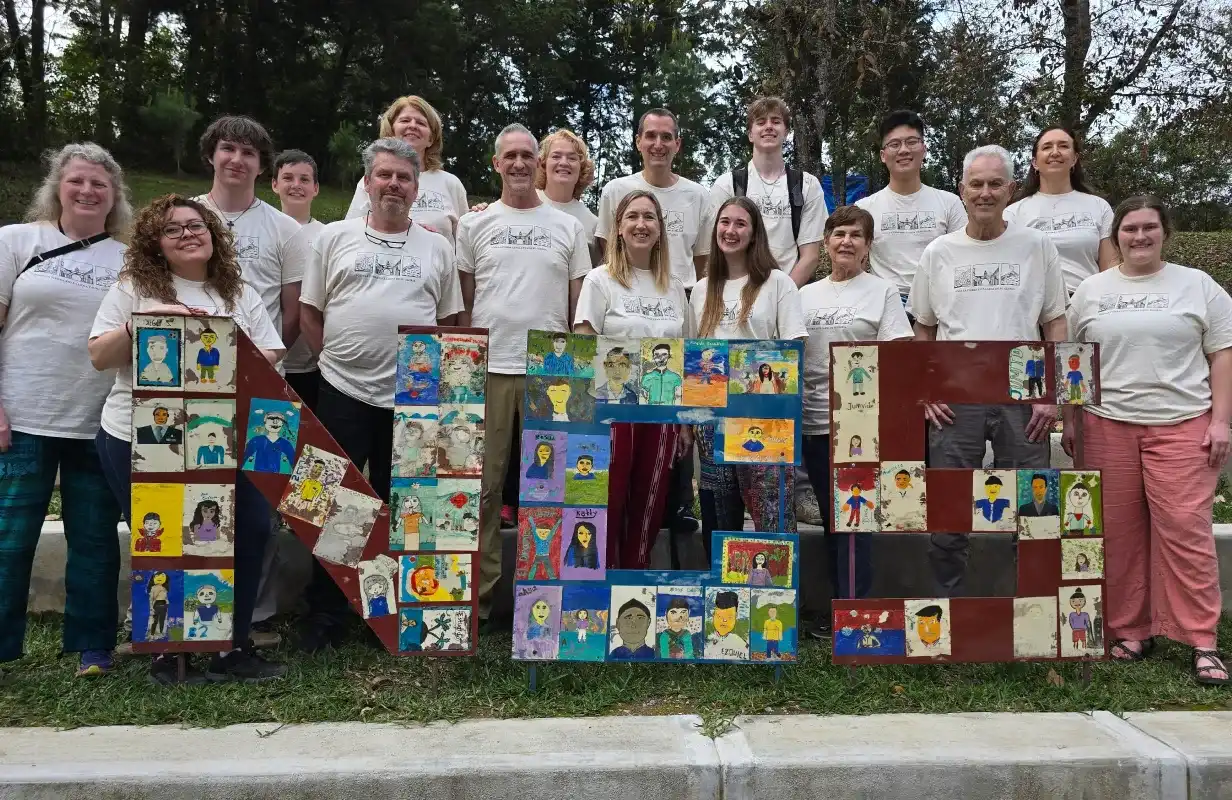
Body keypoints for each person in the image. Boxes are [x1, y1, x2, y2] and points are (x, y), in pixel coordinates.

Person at [88, 194, 286, 685]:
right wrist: (143, 322)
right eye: (172, 229)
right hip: (143, 438)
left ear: (213, 235)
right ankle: (168, 654)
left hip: (226, 437)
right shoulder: (134, 287)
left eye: (195, 225)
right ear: (156, 243)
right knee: (166, 542)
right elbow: (98, 356)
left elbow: (273, 352)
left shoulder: (236, 293)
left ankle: (231, 647)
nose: (187, 234)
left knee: (251, 531)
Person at [295, 138, 462, 651]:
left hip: (413, 399)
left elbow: (452, 321)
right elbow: (310, 312)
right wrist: (337, 362)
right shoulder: (333, 238)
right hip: (342, 389)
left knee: (406, 506)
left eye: (404, 178)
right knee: (335, 506)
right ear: (366, 183)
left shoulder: (437, 247)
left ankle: (387, 614)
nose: (394, 184)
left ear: (416, 188)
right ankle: (325, 616)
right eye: (384, 175)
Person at [1066, 194, 1231, 686]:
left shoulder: (1197, 286)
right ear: (1115, 236)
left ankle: (1202, 639)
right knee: (1115, 533)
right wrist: (1071, 422)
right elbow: (1074, 360)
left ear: (1164, 232)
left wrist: (1222, 421)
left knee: (1185, 529)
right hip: (1105, 422)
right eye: (1130, 228)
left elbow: (1223, 354)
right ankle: (1130, 630)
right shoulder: (1091, 291)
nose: (1139, 236)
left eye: (1149, 227)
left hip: (1182, 422)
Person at [909, 144, 1069, 597]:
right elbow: (923, 329)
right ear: (961, 190)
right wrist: (928, 389)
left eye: (995, 183)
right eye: (976, 184)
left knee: (1033, 506)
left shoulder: (1037, 246)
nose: (985, 192)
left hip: (1025, 389)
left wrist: (1051, 394)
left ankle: (1036, 610)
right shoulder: (939, 252)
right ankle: (948, 610)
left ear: (1011, 189)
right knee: (949, 504)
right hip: (955, 396)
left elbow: (1054, 322)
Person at [0, 143, 130, 678]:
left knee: (96, 537)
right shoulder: (16, 241)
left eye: (100, 184)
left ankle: (92, 646)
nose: (87, 191)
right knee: (9, 538)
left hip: (98, 419)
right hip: (24, 414)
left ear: (114, 196)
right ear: (57, 186)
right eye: (77, 180)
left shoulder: (127, 258)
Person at [457, 123, 590, 627]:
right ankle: (483, 601)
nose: (517, 163)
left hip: (553, 371)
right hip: (489, 367)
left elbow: (579, 306)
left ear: (537, 163)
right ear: (496, 163)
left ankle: (546, 604)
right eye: (508, 155)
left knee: (553, 493)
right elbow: (464, 303)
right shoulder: (474, 225)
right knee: (485, 490)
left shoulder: (568, 227)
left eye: (525, 156)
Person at [796, 206, 912, 636]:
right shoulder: (804, 294)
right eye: (838, 233)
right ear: (825, 242)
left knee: (854, 521)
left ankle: (853, 611)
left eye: (856, 235)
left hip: (860, 427)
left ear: (868, 245)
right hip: (810, 421)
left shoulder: (881, 293)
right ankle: (836, 605)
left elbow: (898, 356)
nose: (846, 241)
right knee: (830, 520)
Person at [573, 190, 693, 569]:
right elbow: (583, 342)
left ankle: (633, 578)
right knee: (606, 497)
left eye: (650, 217)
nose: (642, 224)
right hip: (612, 410)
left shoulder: (673, 287)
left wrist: (685, 420)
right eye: (633, 217)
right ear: (619, 228)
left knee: (650, 498)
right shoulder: (600, 281)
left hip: (661, 411)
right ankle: (597, 580)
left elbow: (685, 351)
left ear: (660, 229)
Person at [690, 197, 807, 555]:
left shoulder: (777, 283)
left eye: (740, 223)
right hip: (712, 422)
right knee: (720, 518)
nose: (730, 230)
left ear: (754, 232)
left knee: (772, 516)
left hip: (766, 418)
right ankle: (726, 602)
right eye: (724, 222)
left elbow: (794, 351)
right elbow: (694, 361)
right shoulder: (700, 289)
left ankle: (779, 602)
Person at [193, 116, 309, 367]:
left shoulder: (286, 228)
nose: (236, 159)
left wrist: (267, 357)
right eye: (227, 148)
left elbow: (293, 313)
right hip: (195, 362)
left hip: (260, 365)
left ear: (262, 166)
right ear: (211, 155)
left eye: (248, 152)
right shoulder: (183, 219)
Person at [703, 96, 827, 286]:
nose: (769, 126)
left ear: (786, 132)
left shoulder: (807, 185)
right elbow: (717, 249)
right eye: (761, 122)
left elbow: (810, 256)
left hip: (791, 293)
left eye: (776, 121)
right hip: (739, 293)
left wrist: (781, 297)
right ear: (750, 134)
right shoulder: (727, 185)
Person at [855, 110, 967, 310]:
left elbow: (963, 258)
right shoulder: (865, 209)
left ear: (924, 149)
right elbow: (857, 268)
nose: (904, 150)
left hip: (940, 305)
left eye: (912, 142)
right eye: (894, 144)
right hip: (885, 306)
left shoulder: (950, 203)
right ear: (883, 155)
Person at [595, 108, 708, 290]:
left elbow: (701, 258)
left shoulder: (698, 195)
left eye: (666, 137)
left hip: (681, 297)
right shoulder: (615, 191)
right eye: (651, 136)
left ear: (677, 144)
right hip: (627, 295)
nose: (658, 144)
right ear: (638, 142)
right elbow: (608, 250)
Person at [1005, 126, 1117, 295]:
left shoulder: (1099, 206)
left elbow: (1111, 268)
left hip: (1086, 304)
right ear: (1034, 162)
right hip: (1034, 307)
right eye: (1047, 147)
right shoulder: (1013, 212)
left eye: (1064, 146)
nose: (1055, 152)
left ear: (1074, 159)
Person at [344, 95, 468, 245]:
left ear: (431, 139)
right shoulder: (374, 180)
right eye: (405, 120)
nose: (413, 126)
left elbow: (465, 243)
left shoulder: (451, 183)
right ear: (391, 132)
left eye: (421, 123)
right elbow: (351, 233)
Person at [270, 149, 326, 410]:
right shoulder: (265, 229)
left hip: (312, 363)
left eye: (304, 179)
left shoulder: (328, 236)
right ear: (274, 184)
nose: (296, 185)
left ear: (315, 188)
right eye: (288, 178)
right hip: (267, 357)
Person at [537, 129, 600, 264]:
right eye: (556, 156)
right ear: (543, 163)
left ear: (581, 168)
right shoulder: (525, 202)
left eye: (572, 158)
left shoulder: (592, 223)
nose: (564, 163)